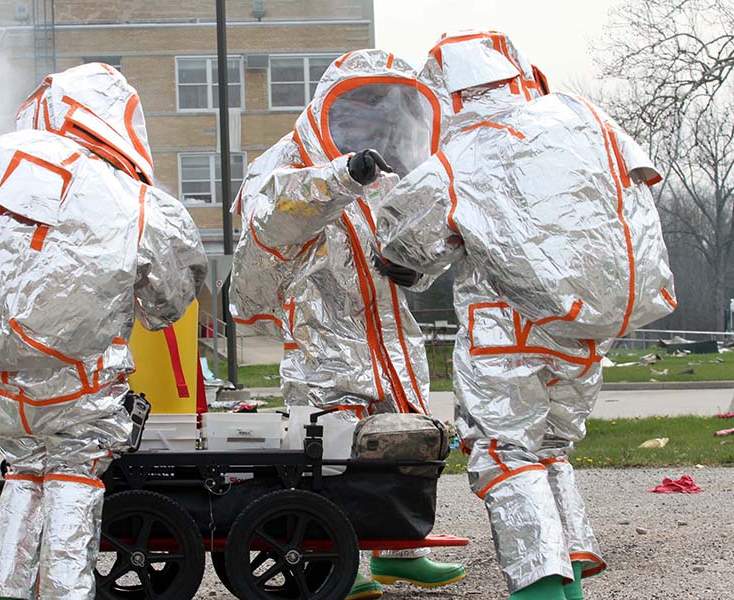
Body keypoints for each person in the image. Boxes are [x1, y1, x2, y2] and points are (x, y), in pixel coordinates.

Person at [376, 31, 676, 600]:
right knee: (550, 450)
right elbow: (635, 196)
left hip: (505, 334)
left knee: (505, 456)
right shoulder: (581, 115)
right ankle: (572, 582)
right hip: (589, 329)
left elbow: (404, 256)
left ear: (442, 95)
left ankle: (540, 592)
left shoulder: (458, 157)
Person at [0, 63, 207, 599]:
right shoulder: (125, 193)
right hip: (78, 375)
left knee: (24, 475)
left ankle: (1, 591)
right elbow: (169, 302)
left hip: (0, 373)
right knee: (74, 484)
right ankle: (66, 592)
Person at [229, 48, 466, 600]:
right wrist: (342, 175)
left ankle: (398, 549)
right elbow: (272, 217)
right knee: (329, 445)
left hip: (388, 332)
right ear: (330, 108)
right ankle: (334, 554)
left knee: (401, 432)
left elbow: (419, 235)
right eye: (354, 109)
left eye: (377, 111)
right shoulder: (289, 156)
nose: (365, 123)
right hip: (319, 329)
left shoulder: (392, 166)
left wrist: (412, 269)